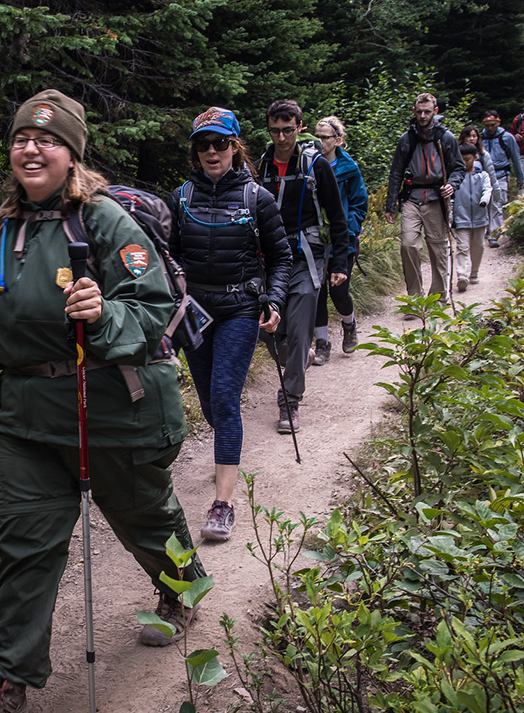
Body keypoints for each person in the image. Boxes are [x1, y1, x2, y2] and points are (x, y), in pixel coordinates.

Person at [0, 89, 206, 713]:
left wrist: (103, 316)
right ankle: (7, 678)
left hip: (110, 411)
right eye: (23, 138)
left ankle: (182, 591)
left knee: (145, 519)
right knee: (26, 545)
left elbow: (155, 304)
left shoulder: (104, 220)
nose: (32, 148)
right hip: (25, 417)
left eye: (48, 140)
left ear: (72, 156)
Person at [167, 107, 291, 542]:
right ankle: (228, 457)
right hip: (196, 311)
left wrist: (273, 299)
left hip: (241, 307)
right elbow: (170, 257)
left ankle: (223, 504)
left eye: (220, 143)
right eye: (203, 145)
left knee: (223, 398)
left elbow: (281, 258)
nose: (212, 151)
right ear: (195, 152)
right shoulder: (180, 198)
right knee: (208, 402)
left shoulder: (257, 198)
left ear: (235, 147)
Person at [255, 99, 350, 434]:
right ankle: (300, 358)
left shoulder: (316, 165)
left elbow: (337, 217)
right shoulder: (260, 167)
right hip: (268, 260)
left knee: (297, 330)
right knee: (270, 330)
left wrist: (339, 261)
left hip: (306, 257)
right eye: (275, 130)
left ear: (300, 127)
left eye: (288, 130)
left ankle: (290, 400)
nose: (281, 138)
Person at [383, 93, 463, 308]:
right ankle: (415, 299)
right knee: (408, 245)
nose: (423, 115)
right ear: (414, 112)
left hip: (437, 198)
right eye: (419, 111)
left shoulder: (446, 138)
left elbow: (458, 168)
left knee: (438, 249)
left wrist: (452, 185)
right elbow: (396, 173)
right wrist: (390, 205)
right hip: (412, 197)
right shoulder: (406, 139)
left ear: (435, 112)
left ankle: (438, 297)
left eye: (427, 111)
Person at [310, 115, 367, 364]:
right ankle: (322, 343)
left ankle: (349, 323)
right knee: (317, 292)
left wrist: (347, 229)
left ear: (338, 140)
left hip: (342, 241)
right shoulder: (308, 165)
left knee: (339, 290)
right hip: (315, 240)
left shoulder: (349, 169)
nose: (320, 141)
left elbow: (359, 203)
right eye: (317, 137)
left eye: (325, 137)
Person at [449, 143, 492, 292]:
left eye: (467, 159)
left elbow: (488, 189)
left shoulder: (482, 175)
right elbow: (451, 198)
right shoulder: (455, 178)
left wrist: (484, 201)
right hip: (461, 218)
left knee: (478, 246)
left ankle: (474, 273)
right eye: (462, 160)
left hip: (480, 217)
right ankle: (462, 276)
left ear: (475, 158)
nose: (464, 163)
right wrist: (450, 216)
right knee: (462, 247)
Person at [478, 110, 524, 247]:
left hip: (501, 174)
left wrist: (519, 177)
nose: (490, 128)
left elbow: (516, 158)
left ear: (498, 122)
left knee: (497, 203)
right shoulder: (479, 138)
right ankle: (488, 229)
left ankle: (494, 234)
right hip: (483, 176)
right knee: (485, 203)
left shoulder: (507, 138)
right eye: (487, 125)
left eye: (492, 125)